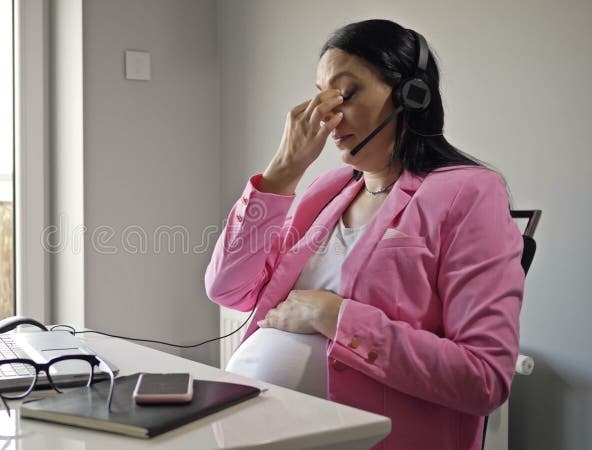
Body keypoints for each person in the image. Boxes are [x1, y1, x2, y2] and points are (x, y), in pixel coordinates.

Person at [204, 19, 524, 450]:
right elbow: (227, 288)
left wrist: (333, 316)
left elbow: (484, 378)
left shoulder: (468, 191)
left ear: (411, 95)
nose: (328, 116)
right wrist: (282, 174)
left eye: (346, 94)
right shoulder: (329, 189)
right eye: (322, 97)